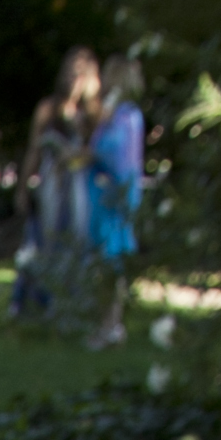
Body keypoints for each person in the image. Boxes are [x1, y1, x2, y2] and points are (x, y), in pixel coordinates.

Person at [10, 47, 101, 326]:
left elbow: (98, 152)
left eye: (80, 73)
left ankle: (72, 305)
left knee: (77, 243)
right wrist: (23, 187)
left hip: (80, 189)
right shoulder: (48, 109)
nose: (74, 78)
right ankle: (34, 302)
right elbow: (34, 151)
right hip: (52, 186)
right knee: (42, 241)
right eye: (71, 71)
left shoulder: (92, 115)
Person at [86, 55, 145, 349]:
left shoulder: (124, 117)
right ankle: (107, 323)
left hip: (114, 201)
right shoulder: (123, 115)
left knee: (111, 263)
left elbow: (112, 155)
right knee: (106, 263)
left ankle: (111, 325)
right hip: (108, 199)